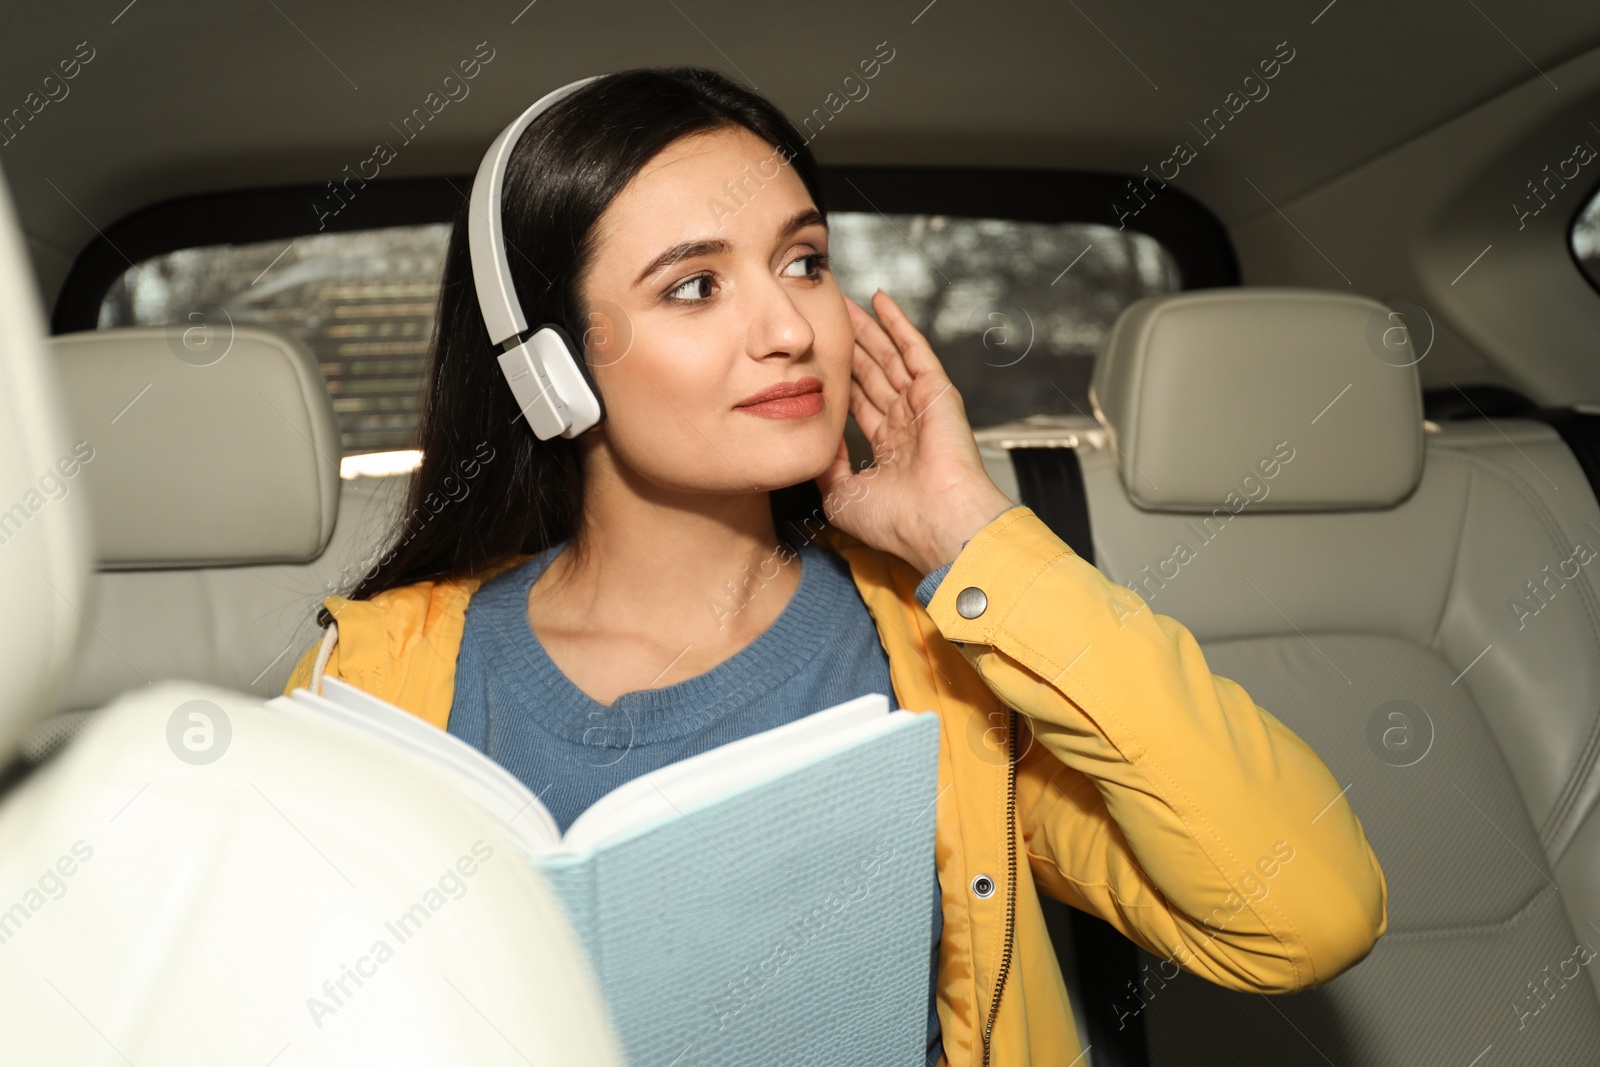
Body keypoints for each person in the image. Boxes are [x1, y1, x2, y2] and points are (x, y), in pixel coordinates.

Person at [286, 67, 1387, 1067]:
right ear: (549, 370)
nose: (788, 327)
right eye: (694, 286)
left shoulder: (948, 659)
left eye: (802, 262)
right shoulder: (372, 685)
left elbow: (1306, 912)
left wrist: (973, 539)